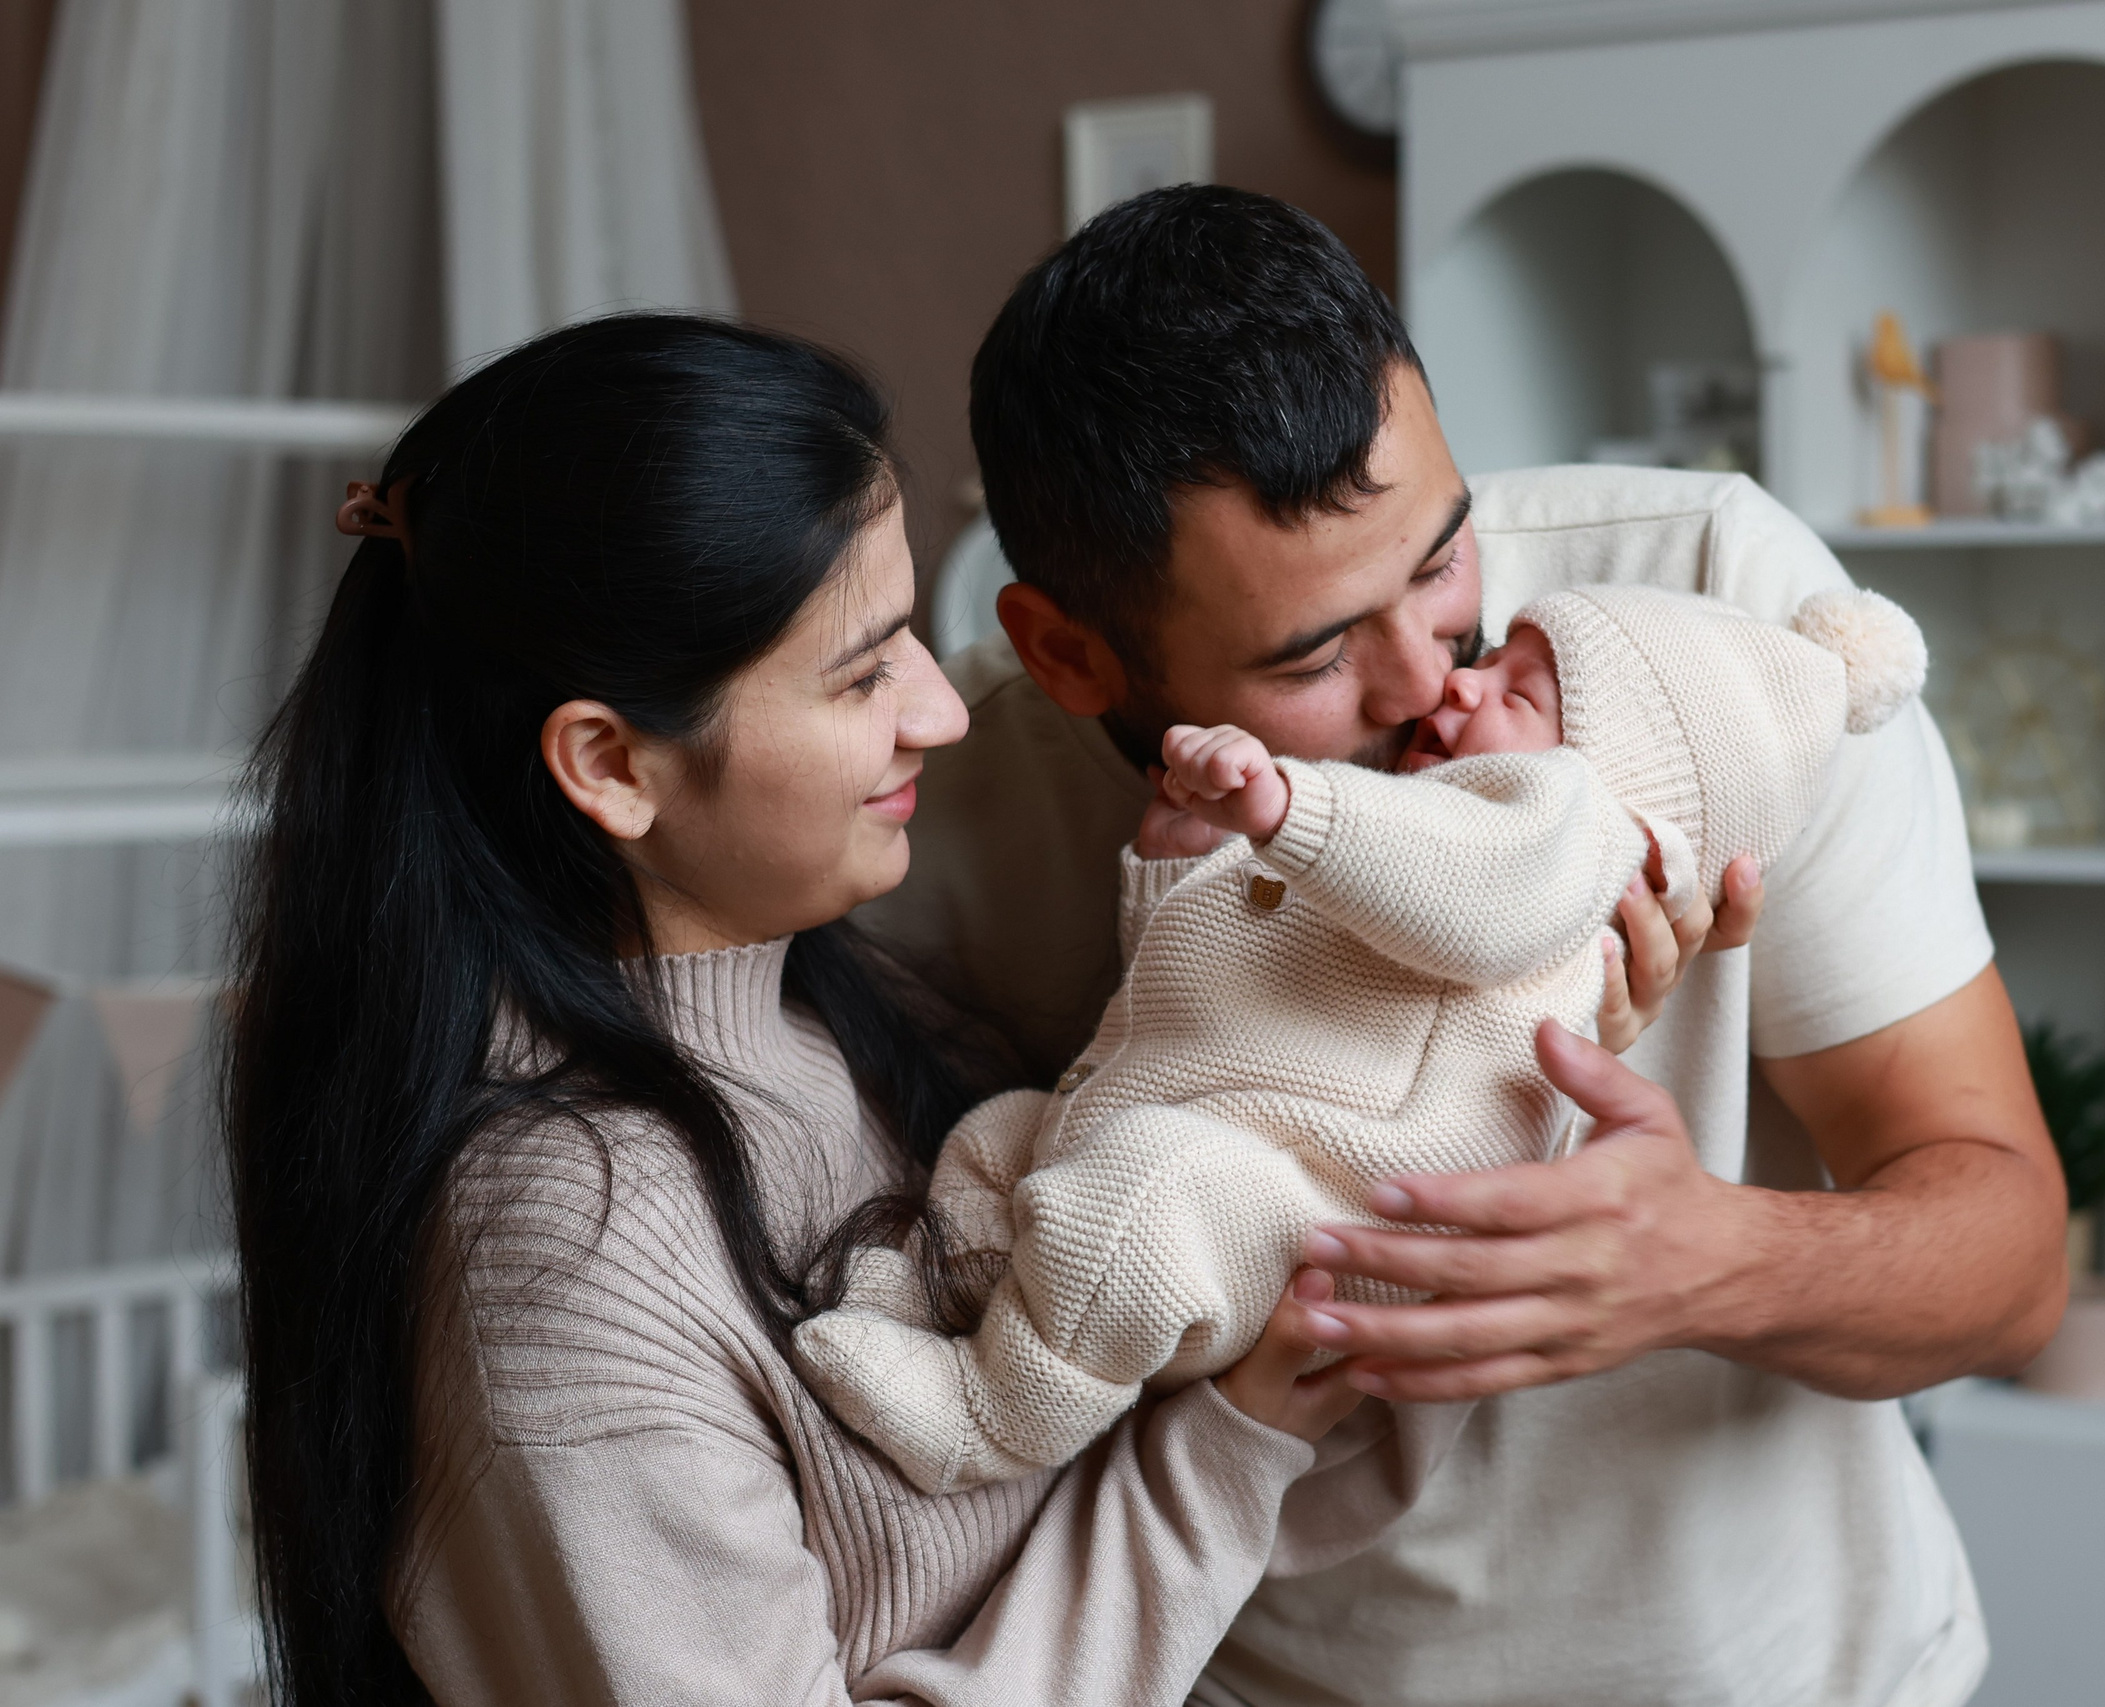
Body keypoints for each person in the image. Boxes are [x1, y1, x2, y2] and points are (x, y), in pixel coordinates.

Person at [865, 186, 2068, 1707]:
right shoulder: (934, 820)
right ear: (1067, 652)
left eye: (1441, 561)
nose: (1430, 678)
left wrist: (1704, 1261)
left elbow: (2012, 1266)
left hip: (1786, 1669)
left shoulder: (1711, 618)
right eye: (1315, 652)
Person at [224, 314, 1371, 1707]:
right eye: (865, 670)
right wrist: (1222, 1459)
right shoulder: (569, 1270)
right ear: (611, 764)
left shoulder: (854, 1015)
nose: (942, 713)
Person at [795, 581, 1924, 1499]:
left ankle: (987, 1420)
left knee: (1139, 1211)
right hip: (1197, 1131)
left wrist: (1289, 811)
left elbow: (1475, 878)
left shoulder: (1566, 841)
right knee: (1001, 1139)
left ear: (1622, 792)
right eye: (1495, 654)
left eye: (1519, 692)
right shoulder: (1407, 854)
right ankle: (924, 1296)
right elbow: (1210, 1004)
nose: (1458, 680)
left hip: (1322, 1211)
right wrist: (1178, 870)